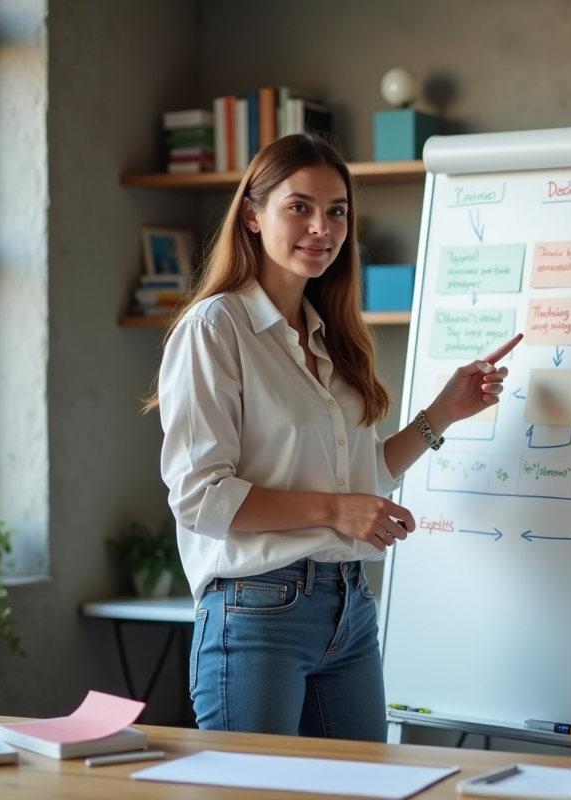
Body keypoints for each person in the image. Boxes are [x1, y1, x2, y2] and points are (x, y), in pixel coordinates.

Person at [148, 133, 522, 742]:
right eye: (299, 206)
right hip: (256, 610)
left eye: (337, 211)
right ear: (251, 213)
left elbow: (361, 478)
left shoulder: (332, 335)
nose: (322, 226)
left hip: (348, 607)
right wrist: (336, 511)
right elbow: (201, 498)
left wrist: (442, 414)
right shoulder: (216, 327)